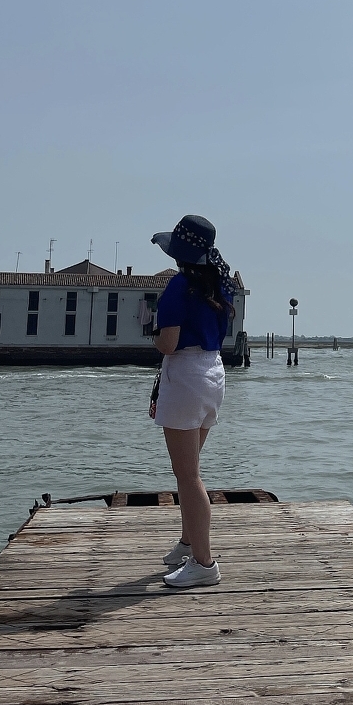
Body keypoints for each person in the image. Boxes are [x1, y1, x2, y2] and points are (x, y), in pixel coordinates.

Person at [149, 214, 234, 589]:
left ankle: (204, 563)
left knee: (188, 475)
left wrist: (150, 334)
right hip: (213, 372)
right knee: (190, 469)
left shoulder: (179, 285)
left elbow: (168, 344)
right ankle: (187, 542)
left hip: (185, 375)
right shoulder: (220, 282)